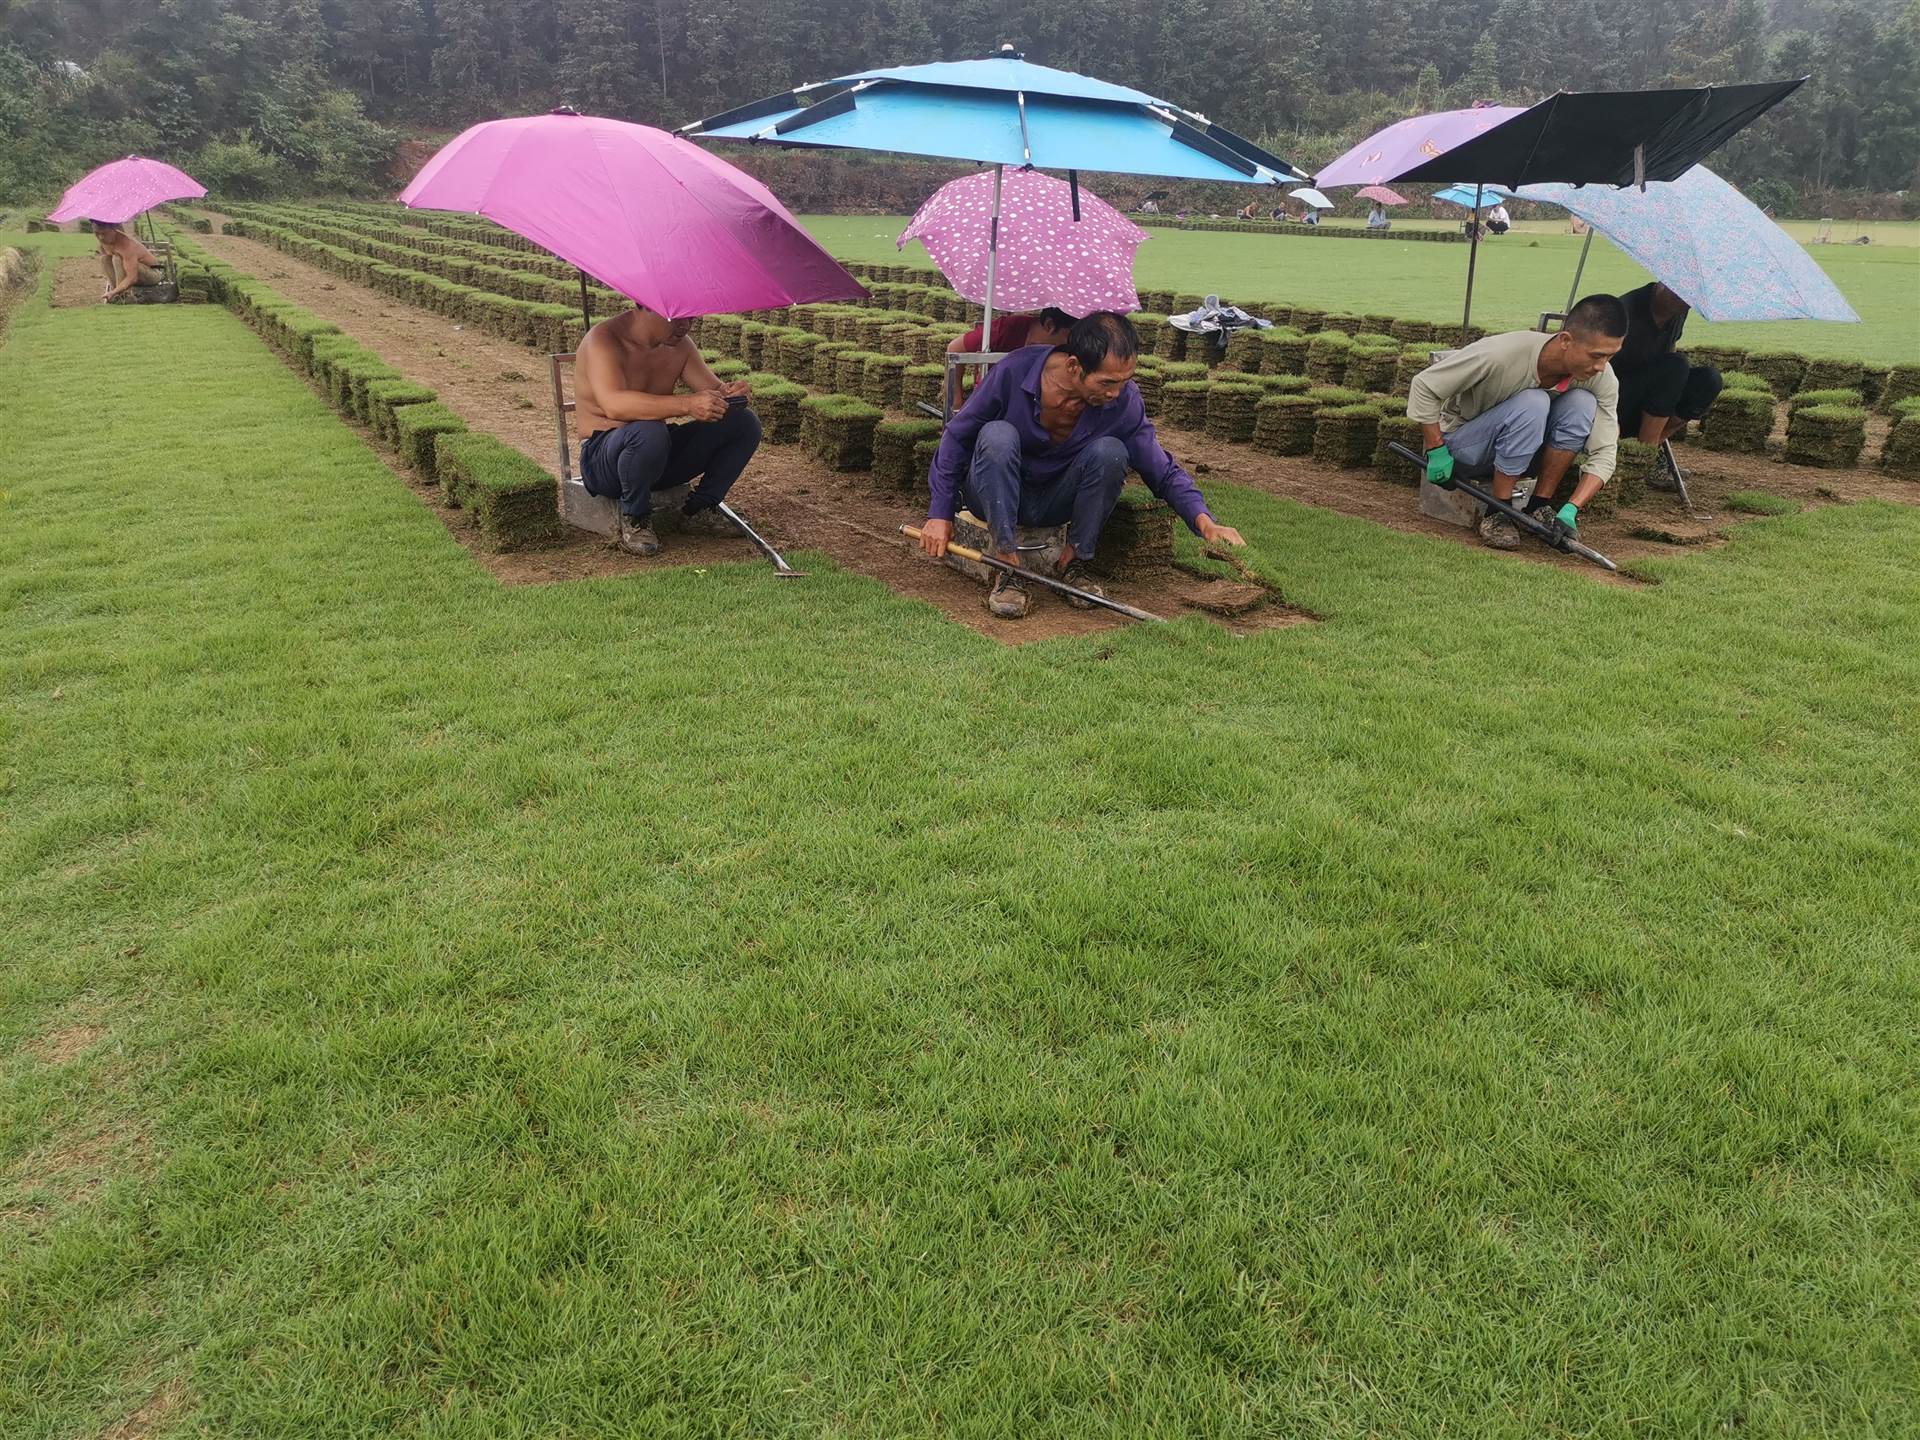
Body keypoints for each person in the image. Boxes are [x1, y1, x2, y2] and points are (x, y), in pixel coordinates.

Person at [917, 313, 1246, 619]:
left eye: (1124, 381)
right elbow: (957, 438)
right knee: (997, 435)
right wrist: (939, 513)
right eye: (1106, 383)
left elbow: (1160, 467)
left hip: (1056, 499)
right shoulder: (1014, 372)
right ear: (1074, 366)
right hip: (993, 492)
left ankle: (1075, 563)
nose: (1117, 393)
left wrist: (1205, 523)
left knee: (1111, 452)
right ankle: (1007, 566)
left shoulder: (1123, 401)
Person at [1407, 293, 1627, 550]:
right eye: (1596, 356)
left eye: (1609, 357)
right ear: (1566, 340)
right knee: (1534, 402)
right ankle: (1498, 511)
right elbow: (1424, 385)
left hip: (1524, 452)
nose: (1601, 366)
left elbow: (1605, 451)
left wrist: (1571, 509)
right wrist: (1436, 449)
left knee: (1582, 402)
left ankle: (1539, 505)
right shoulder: (1499, 354)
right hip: (1464, 447)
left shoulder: (1601, 378)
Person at [574, 303, 761, 557]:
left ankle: (699, 510)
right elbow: (614, 406)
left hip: (655, 454)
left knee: (744, 423)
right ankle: (635, 518)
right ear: (644, 305)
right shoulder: (603, 340)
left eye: (691, 317)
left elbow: (715, 392)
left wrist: (733, 395)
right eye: (677, 318)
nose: (685, 325)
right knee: (648, 431)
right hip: (604, 461)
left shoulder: (680, 345)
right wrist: (686, 404)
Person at [1610, 280, 1723, 448]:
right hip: (1614, 400)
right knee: (1675, 366)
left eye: (1690, 296)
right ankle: (1643, 452)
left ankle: (1652, 447)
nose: (1683, 299)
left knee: (1709, 380)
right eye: (1677, 290)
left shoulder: (1678, 311)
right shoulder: (1623, 312)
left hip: (1651, 397)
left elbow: (1669, 350)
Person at [943, 308, 1076, 411]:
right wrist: (957, 400)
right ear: (1049, 325)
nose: (1073, 344)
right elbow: (955, 348)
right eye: (1070, 336)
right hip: (993, 403)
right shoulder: (1008, 329)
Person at [93, 220, 163, 302]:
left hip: (152, 274)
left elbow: (132, 277)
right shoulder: (104, 243)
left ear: (113, 231)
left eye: (104, 233)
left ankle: (123, 295)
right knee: (104, 259)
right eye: (97, 234)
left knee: (118, 259)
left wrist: (114, 292)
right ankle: (116, 296)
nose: (101, 237)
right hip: (129, 272)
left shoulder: (127, 245)